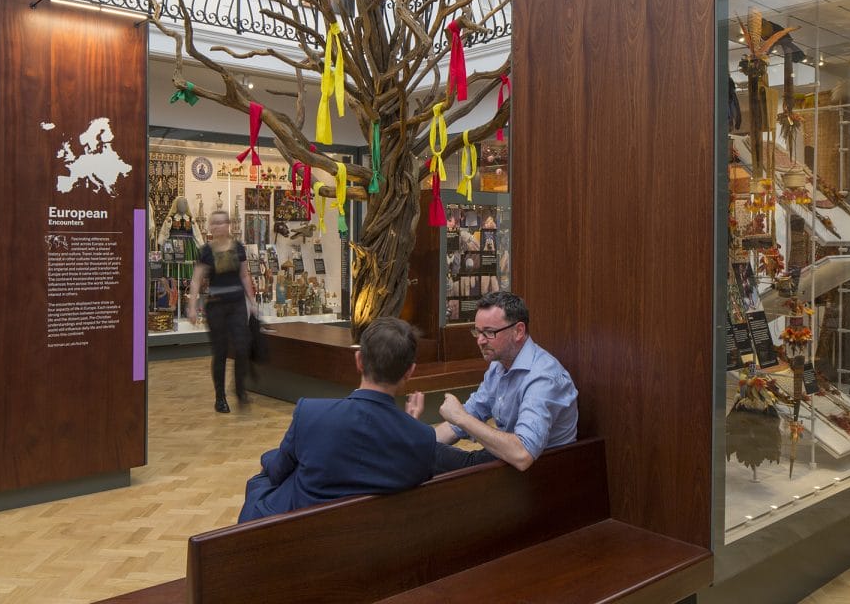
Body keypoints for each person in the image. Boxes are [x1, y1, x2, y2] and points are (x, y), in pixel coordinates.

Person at [238, 317, 435, 522]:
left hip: (303, 534)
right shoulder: (422, 439)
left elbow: (278, 472)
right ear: (410, 372)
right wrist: (411, 424)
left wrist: (267, 457)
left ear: (358, 360)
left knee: (261, 480)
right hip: (370, 539)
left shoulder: (311, 413)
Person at [407, 291, 577, 473]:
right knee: (422, 453)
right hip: (507, 463)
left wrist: (462, 418)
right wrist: (414, 445)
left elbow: (523, 454)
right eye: (477, 332)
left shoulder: (543, 377)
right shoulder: (498, 366)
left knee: (429, 458)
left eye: (489, 332)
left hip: (544, 474)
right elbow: (466, 417)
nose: (480, 341)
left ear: (518, 331)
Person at [189, 209, 256, 413]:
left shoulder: (238, 248)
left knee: (242, 347)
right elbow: (196, 279)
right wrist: (192, 305)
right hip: (216, 305)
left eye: (222, 222)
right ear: (210, 227)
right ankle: (220, 397)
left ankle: (240, 389)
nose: (218, 226)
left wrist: (252, 300)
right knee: (219, 352)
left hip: (236, 304)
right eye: (215, 223)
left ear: (228, 225)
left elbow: (244, 275)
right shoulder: (206, 251)